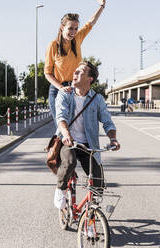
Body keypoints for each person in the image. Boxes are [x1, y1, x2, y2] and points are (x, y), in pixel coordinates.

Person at [53, 61, 121, 209]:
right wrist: (66, 134)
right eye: (75, 70)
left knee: (97, 180)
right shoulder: (65, 94)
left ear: (90, 79)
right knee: (70, 162)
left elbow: (107, 121)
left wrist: (113, 139)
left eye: (80, 71)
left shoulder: (97, 99)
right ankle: (60, 189)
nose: (75, 73)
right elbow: (61, 118)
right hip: (68, 142)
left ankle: (91, 217)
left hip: (88, 145)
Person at [44, 0, 106, 128]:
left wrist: (102, 5)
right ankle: (55, 148)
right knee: (62, 128)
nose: (73, 32)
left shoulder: (77, 39)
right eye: (70, 28)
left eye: (76, 28)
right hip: (57, 90)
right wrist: (61, 87)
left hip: (74, 88)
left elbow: (91, 22)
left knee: (75, 127)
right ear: (62, 27)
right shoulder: (53, 46)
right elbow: (47, 73)